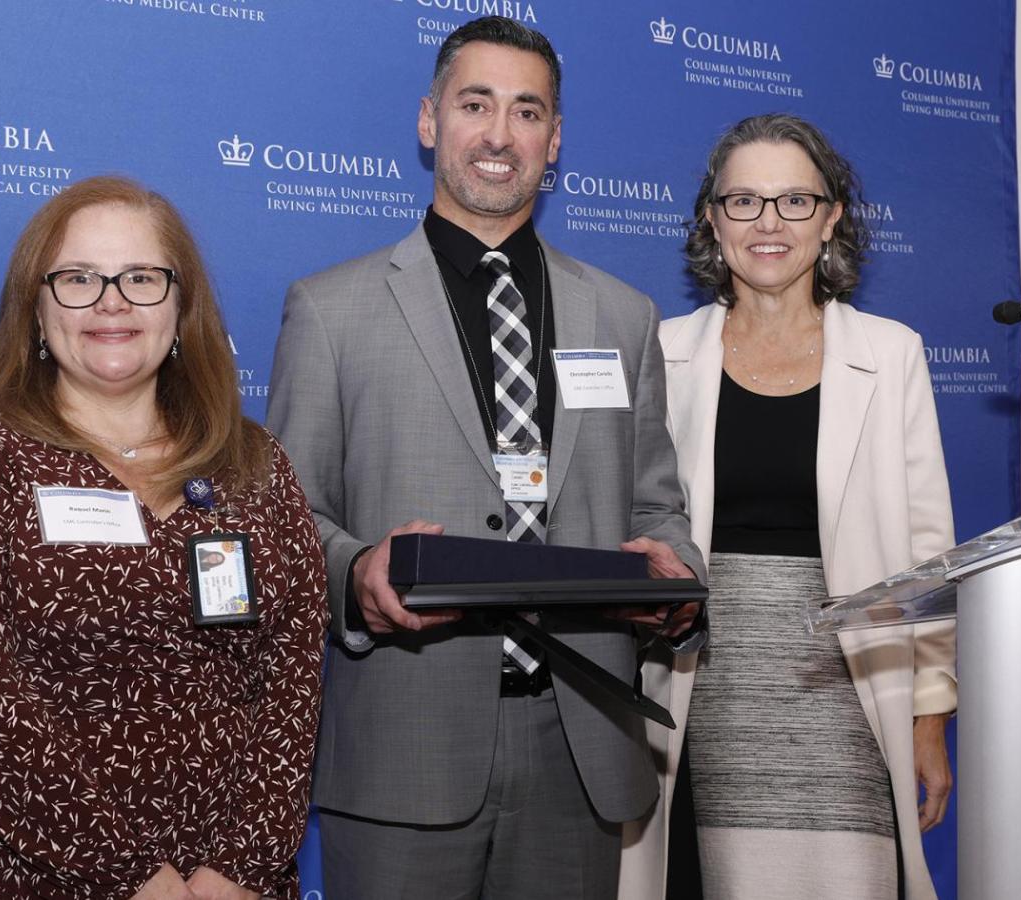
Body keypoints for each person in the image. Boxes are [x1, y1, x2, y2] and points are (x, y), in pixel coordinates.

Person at [264, 16, 703, 900]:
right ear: (430, 121)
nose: (500, 134)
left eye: (527, 111)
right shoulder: (330, 310)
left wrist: (673, 575)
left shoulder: (622, 317)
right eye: (476, 104)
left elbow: (659, 507)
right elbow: (286, 522)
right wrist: (358, 578)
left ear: (556, 141)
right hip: (403, 748)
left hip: (577, 744)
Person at [0, 176, 328, 900]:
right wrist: (133, 877)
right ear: (36, 309)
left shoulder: (255, 462)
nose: (112, 301)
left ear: (181, 307)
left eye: (142, 277)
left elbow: (293, 680)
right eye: (79, 279)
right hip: (21, 870)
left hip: (227, 880)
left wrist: (240, 867)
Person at [655, 114, 956, 899]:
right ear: (712, 220)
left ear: (830, 220)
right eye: (744, 201)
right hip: (706, 695)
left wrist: (930, 719)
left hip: (850, 692)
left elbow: (929, 557)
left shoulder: (891, 355)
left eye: (794, 201)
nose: (768, 223)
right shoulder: (662, 354)